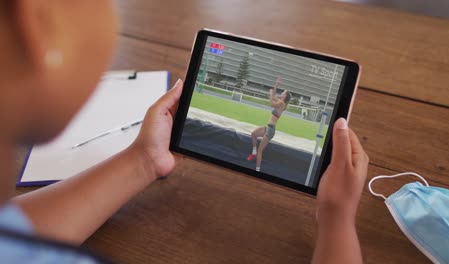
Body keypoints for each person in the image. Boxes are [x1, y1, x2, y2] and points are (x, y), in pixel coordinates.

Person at [0, 1, 369, 263]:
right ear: (37, 22)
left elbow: (12, 235)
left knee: (260, 137)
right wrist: (337, 220)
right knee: (258, 139)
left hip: (268, 129)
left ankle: (256, 153)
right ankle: (257, 154)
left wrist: (144, 160)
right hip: (268, 132)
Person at [247, 77, 291, 172]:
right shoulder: (280, 101)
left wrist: (271, 95)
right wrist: (276, 84)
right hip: (268, 127)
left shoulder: (282, 104)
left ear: (285, 96)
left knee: (260, 151)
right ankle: (253, 153)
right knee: (253, 134)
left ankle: (257, 170)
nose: (282, 92)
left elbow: (271, 103)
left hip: (270, 130)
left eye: (283, 92)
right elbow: (274, 95)